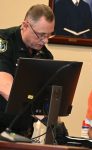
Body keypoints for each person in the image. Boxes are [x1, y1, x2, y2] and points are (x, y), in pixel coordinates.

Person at [0, 4, 55, 137]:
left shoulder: (45, 56)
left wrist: (53, 122)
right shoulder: (4, 41)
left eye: (49, 35)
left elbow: (47, 96)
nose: (45, 41)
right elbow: (4, 85)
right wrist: (40, 113)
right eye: (41, 35)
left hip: (23, 133)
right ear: (25, 25)